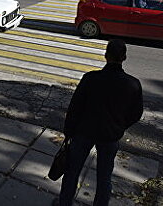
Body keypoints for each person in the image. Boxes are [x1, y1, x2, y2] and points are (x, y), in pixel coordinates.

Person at [55, 39, 143, 206]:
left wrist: (69, 133)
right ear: (124, 57)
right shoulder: (132, 84)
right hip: (110, 136)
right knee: (104, 177)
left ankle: (65, 203)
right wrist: (120, 126)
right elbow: (136, 114)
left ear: (105, 56)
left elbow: (75, 108)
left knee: (72, 172)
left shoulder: (90, 79)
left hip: (83, 132)